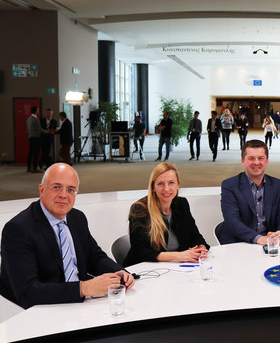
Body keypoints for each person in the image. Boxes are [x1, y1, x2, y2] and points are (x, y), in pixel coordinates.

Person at [0, 163, 135, 309]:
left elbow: (95, 257)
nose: (63, 195)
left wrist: (119, 272)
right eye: (56, 187)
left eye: (70, 190)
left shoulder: (77, 218)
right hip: (43, 310)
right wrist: (84, 288)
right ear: (41, 189)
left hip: (81, 304)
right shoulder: (18, 229)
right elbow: (28, 292)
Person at [124, 162, 209, 267]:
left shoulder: (181, 204)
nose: (166, 189)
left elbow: (195, 236)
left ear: (178, 184)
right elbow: (140, 252)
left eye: (171, 183)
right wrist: (178, 256)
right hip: (145, 270)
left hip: (175, 269)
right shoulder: (139, 209)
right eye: (160, 184)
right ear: (153, 187)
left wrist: (202, 248)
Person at [216, 139, 280, 245]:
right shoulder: (230, 185)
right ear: (243, 161)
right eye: (251, 158)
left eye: (260, 158)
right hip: (239, 241)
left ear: (267, 161)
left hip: (269, 240)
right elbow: (232, 220)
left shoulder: (278, 185)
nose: (256, 162)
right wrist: (257, 238)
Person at [26, 106, 44, 173]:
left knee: (31, 152)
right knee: (36, 153)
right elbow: (40, 130)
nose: (38, 111)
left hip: (30, 137)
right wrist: (47, 131)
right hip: (36, 138)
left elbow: (27, 129)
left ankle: (28, 167)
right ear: (36, 111)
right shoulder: (36, 119)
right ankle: (35, 168)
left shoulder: (28, 119)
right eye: (38, 110)